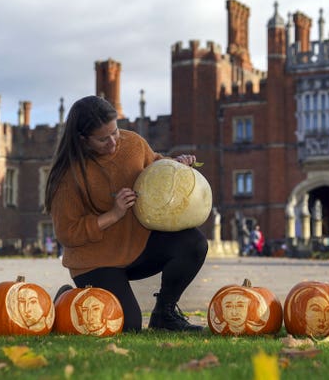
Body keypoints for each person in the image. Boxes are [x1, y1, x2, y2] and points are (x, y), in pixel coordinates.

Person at [44, 95, 208, 332]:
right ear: (82, 140)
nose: (113, 143)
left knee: (193, 243)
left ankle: (164, 314)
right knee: (128, 326)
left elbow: (155, 166)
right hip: (94, 260)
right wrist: (113, 214)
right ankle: (67, 300)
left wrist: (177, 165)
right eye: (103, 139)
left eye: (115, 132)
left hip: (138, 247)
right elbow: (67, 234)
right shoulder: (67, 177)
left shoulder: (133, 143)